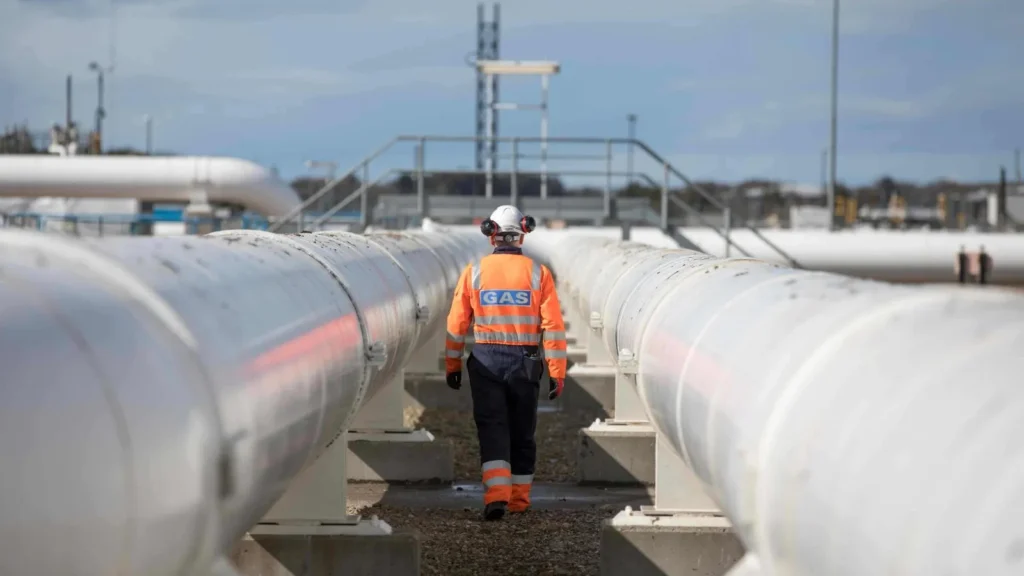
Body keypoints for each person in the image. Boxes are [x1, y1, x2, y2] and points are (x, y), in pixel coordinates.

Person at [444, 205, 568, 521]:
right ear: (523, 233)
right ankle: (519, 499)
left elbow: (457, 324)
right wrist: (556, 372)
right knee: (523, 430)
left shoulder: (474, 273)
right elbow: (553, 326)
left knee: (493, 427)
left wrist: (453, 365)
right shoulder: (539, 274)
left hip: (486, 359)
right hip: (526, 361)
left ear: (491, 234)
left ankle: (496, 497)